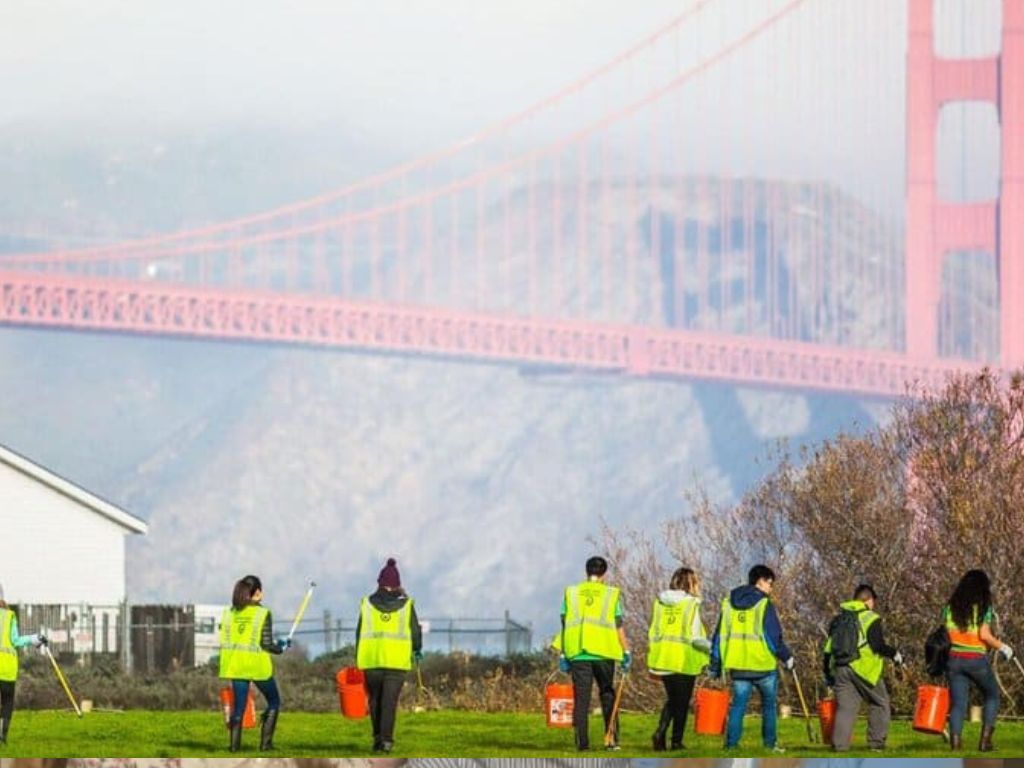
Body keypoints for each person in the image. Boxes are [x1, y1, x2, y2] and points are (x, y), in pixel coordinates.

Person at [708, 564, 794, 752]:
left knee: (738, 706)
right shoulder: (764, 604)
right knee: (769, 707)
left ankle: (731, 746)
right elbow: (773, 637)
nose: (771, 588)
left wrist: (715, 664)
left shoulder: (728, 603)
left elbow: (719, 635)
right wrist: (786, 656)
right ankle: (770, 745)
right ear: (760, 581)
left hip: (738, 665)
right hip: (763, 665)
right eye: (770, 584)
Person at [556, 555, 632, 752]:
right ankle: (611, 741)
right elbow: (618, 626)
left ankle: (582, 744)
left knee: (582, 699)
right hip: (604, 653)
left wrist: (564, 654)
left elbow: (565, 625)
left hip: (579, 653)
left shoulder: (571, 593)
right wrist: (626, 651)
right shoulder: (610, 594)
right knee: (607, 695)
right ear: (604, 573)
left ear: (586, 571)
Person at [822, 584, 902, 752]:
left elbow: (828, 649)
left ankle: (840, 746)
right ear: (869, 600)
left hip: (841, 668)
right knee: (880, 703)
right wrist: (894, 654)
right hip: (863, 669)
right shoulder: (870, 618)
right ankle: (876, 744)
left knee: (846, 709)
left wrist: (828, 673)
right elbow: (877, 645)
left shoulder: (839, 620)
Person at [355, 557, 423, 754]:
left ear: (380, 583)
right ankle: (386, 742)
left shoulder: (366, 604)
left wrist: (357, 656)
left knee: (375, 700)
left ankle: (377, 739)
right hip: (397, 662)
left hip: (371, 660)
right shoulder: (407, 605)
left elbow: (359, 633)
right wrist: (417, 649)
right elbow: (415, 632)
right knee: (389, 703)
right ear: (397, 585)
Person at [219, 574, 290, 752]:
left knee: (239, 709)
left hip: (236, 666)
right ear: (257, 592)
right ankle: (266, 745)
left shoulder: (229, 613)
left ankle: (234, 748)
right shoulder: (263, 613)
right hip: (257, 667)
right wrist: (280, 647)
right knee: (274, 702)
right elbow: (266, 644)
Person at [943, 569, 1013, 752]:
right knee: (992, 696)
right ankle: (985, 743)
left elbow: (948, 634)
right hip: (975, 659)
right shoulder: (983, 608)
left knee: (958, 704)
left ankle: (955, 745)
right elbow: (984, 635)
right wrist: (1003, 647)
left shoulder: (950, 608)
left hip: (954, 659)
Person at [646, 566, 711, 751]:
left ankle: (661, 732)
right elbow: (695, 637)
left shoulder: (659, 603)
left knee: (673, 699)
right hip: (683, 659)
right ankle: (676, 742)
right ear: (691, 583)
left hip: (663, 657)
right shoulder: (690, 604)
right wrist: (713, 648)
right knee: (681, 702)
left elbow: (653, 631)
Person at [0, 585, 47, 747]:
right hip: (7, 670)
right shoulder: (9, 616)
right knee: (7, 702)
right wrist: (35, 639)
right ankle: (3, 736)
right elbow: (16, 641)